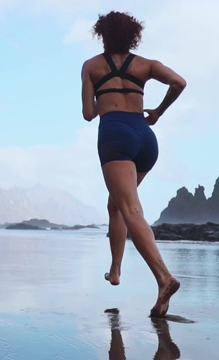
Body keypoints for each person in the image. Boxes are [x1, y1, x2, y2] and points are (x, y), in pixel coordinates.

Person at [80, 11, 186, 317]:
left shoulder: (92, 66)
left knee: (130, 209)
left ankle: (164, 277)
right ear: (133, 36)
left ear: (103, 34)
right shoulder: (146, 65)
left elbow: (88, 114)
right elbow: (179, 82)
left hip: (115, 135)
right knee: (116, 206)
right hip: (145, 137)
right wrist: (159, 112)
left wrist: (105, 97)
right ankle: (115, 271)